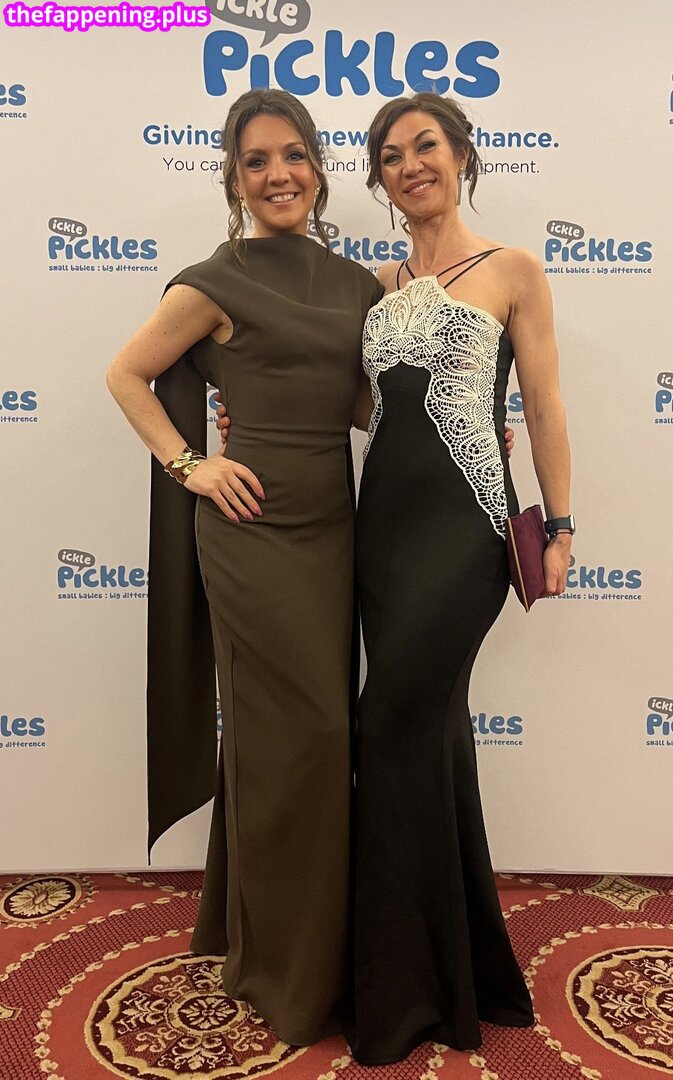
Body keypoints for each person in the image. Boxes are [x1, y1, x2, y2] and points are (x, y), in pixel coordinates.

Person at [106, 89, 384, 1046]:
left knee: (304, 743)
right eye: (257, 160)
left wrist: (462, 421)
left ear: (318, 166)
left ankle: (267, 932)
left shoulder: (355, 285)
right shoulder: (211, 281)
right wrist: (190, 463)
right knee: (300, 737)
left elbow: (360, 405)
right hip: (251, 532)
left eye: (293, 155)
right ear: (232, 178)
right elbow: (126, 374)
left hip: (333, 531)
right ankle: (283, 971)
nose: (279, 175)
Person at [345, 92, 573, 1064]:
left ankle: (398, 989)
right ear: (379, 180)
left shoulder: (514, 269)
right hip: (382, 534)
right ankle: (463, 970)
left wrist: (559, 524)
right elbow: (370, 409)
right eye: (391, 156)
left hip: (467, 531)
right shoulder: (375, 284)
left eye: (425, 145)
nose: (410, 165)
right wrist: (252, 417)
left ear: (463, 154)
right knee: (431, 736)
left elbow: (545, 402)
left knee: (388, 725)